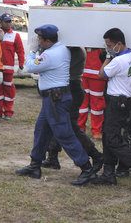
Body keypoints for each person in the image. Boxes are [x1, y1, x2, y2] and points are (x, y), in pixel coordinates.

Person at [15, 24, 97, 186]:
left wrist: (32, 51)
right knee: (41, 130)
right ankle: (35, 164)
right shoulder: (57, 50)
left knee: (64, 133)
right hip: (52, 98)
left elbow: (30, 67)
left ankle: (87, 168)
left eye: (39, 39)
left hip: (56, 99)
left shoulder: (53, 54)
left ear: (47, 41)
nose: (38, 41)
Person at [95, 28, 131, 193]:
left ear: (118, 44)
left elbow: (101, 74)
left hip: (116, 102)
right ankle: (108, 172)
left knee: (113, 139)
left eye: (109, 45)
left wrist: (108, 57)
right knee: (108, 136)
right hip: (124, 102)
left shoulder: (117, 61)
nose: (107, 48)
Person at [41, 46, 104, 174]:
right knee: (55, 122)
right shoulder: (68, 49)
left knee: (70, 127)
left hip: (70, 88)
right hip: (67, 88)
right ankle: (52, 156)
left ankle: (96, 155)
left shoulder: (73, 51)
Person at [0, 13, 25, 121]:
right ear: (1, 22)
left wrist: (21, 65)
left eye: (9, 21)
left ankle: (8, 111)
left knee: (8, 90)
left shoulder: (15, 36)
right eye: (6, 21)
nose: (8, 24)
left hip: (8, 69)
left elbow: (20, 51)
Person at [78, 48, 107, 139]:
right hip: (83, 71)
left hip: (97, 72)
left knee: (97, 104)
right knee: (82, 103)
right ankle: (80, 128)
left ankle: (96, 130)